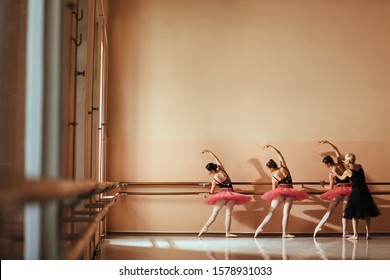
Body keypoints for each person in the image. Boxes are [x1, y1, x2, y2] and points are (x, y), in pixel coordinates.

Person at [254, 145, 309, 238]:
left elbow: (273, 190)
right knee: (286, 213)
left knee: (271, 212)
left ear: (271, 168)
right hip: (291, 191)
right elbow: (279, 153)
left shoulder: (274, 177)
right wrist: (271, 147)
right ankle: (284, 233)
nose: (269, 171)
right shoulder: (284, 168)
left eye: (268, 169)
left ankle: (260, 227)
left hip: (279, 192)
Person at [198, 149, 251, 238]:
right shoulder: (222, 170)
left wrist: (206, 196)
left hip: (222, 195)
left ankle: (205, 227)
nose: (206, 172)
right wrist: (210, 152)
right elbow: (217, 159)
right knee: (228, 214)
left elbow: (212, 192)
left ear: (211, 171)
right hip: (231, 194)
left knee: (215, 213)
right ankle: (227, 233)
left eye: (206, 171)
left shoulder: (214, 180)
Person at [333, 153, 381, 240]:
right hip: (365, 191)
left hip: (356, 192)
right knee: (367, 213)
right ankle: (368, 234)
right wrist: (344, 161)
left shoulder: (348, 171)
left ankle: (355, 235)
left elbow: (341, 178)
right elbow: (350, 165)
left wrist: (334, 173)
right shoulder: (360, 166)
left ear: (349, 161)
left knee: (354, 213)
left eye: (346, 160)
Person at [314, 140, 352, 238]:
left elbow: (331, 189)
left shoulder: (331, 173)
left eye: (325, 164)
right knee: (345, 211)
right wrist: (327, 142)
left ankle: (319, 226)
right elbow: (336, 151)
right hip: (348, 188)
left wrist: (323, 186)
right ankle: (344, 232)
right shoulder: (340, 163)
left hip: (338, 190)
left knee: (330, 210)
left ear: (328, 164)